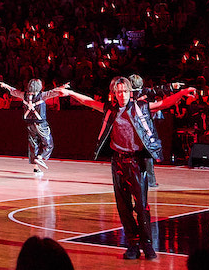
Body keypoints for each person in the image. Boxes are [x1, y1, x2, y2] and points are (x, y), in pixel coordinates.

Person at [66, 77, 196, 259]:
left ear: (130, 92)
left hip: (136, 162)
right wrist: (70, 93)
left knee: (141, 206)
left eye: (125, 91)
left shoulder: (140, 107)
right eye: (118, 91)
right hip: (118, 161)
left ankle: (147, 244)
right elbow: (88, 102)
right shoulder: (110, 110)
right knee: (123, 206)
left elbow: (163, 103)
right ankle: (133, 244)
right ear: (114, 94)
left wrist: (181, 93)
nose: (122, 95)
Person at [0, 79, 71, 173]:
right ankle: (41, 157)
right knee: (48, 144)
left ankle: (36, 168)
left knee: (33, 145)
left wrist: (6, 86)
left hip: (30, 124)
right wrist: (63, 87)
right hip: (40, 124)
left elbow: (14, 91)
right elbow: (54, 92)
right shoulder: (42, 95)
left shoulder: (24, 95)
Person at [129, 74, 186, 187]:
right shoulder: (130, 93)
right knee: (141, 154)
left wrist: (171, 87)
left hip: (141, 124)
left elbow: (156, 90)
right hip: (136, 125)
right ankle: (145, 180)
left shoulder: (140, 92)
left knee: (144, 153)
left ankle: (147, 180)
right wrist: (171, 87)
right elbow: (156, 90)